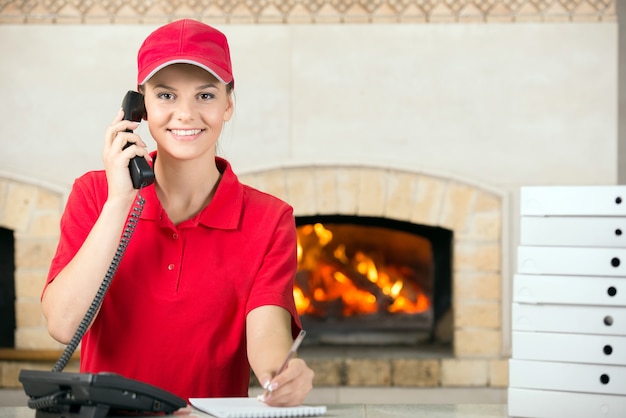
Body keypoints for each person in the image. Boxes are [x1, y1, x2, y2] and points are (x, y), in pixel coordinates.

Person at [41, 19, 314, 407]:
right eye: (166, 96)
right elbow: (63, 325)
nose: (185, 114)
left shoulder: (269, 219)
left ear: (228, 104)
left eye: (205, 96)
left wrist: (283, 375)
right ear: (139, 108)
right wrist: (120, 201)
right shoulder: (94, 194)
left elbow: (268, 338)